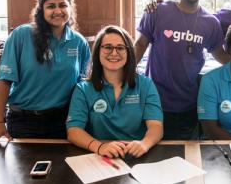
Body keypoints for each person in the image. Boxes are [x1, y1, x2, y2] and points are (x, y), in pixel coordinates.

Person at [0, 0, 90, 143]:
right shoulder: (21, 35)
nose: (58, 11)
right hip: (24, 121)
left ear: (71, 9)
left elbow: (82, 87)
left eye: (63, 5)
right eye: (51, 6)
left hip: (62, 122)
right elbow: (4, 81)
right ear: (41, 11)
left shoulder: (79, 42)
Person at [134, 0, 229, 140]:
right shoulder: (158, 11)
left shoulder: (210, 22)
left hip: (189, 103)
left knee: (186, 157)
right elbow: (140, 45)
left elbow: (221, 56)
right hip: (154, 101)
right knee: (153, 156)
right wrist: (124, 74)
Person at [67, 25, 163, 158]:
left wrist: (144, 144)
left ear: (129, 52)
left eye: (120, 48)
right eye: (107, 47)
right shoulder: (83, 89)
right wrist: (99, 147)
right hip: (100, 157)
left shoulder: (146, 85)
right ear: (97, 52)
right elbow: (73, 130)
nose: (114, 53)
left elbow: (156, 126)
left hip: (137, 156)